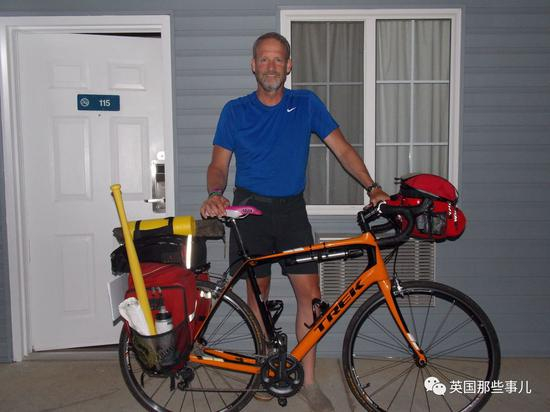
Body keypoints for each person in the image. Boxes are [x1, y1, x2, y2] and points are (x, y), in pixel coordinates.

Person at [200, 32, 389, 411]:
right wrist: (215, 193)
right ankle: (263, 372)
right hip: (249, 211)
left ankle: (310, 382)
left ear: (289, 66)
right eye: (264, 59)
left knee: (311, 297)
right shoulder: (235, 111)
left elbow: (342, 149)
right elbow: (218, 164)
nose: (271, 66)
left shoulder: (306, 104)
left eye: (278, 59)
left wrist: (373, 187)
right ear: (253, 65)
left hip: (291, 212)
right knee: (257, 297)